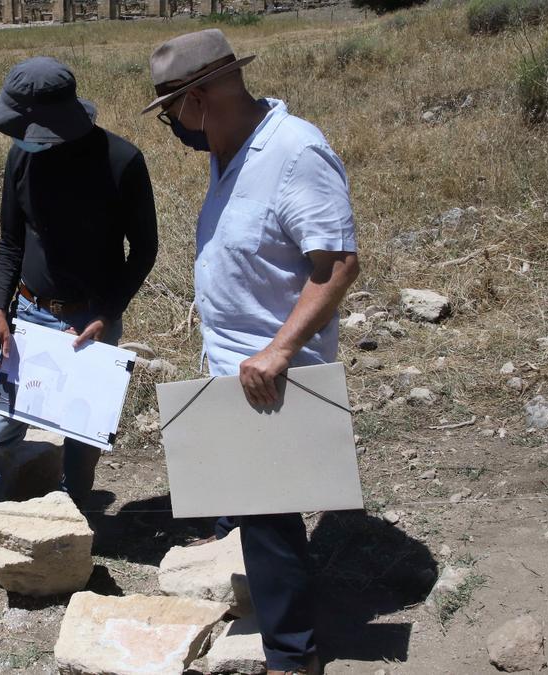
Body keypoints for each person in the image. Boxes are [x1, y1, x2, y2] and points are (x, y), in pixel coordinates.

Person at [142, 29, 362, 675]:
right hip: (233, 368)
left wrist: (280, 349)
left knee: (269, 517)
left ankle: (293, 658)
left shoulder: (295, 152)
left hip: (274, 374)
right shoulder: (229, 148)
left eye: (172, 111)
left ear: (201, 98)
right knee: (253, 508)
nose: (172, 127)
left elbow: (339, 263)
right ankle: (268, 603)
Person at [0, 56, 159, 584]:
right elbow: (12, 242)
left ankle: (70, 525)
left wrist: (109, 314)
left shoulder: (121, 161)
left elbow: (145, 249)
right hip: (31, 316)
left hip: (92, 325)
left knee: (83, 443)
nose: (19, 136)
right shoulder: (22, 158)